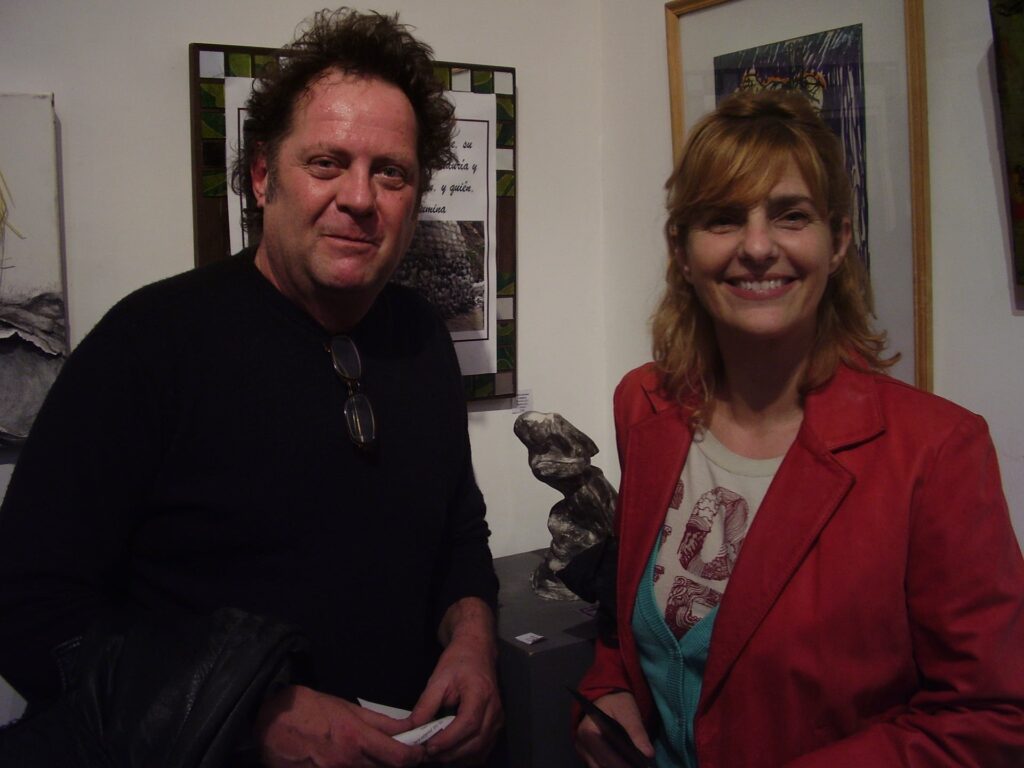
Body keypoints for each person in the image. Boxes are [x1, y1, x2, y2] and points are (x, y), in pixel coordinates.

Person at [0, 8, 502, 767]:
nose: (360, 198)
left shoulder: (422, 336)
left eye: (390, 172)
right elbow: (28, 611)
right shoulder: (149, 344)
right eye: (326, 162)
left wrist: (473, 638)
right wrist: (256, 718)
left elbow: (458, 531)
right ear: (263, 175)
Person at [574, 89, 1024, 767]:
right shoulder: (645, 406)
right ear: (682, 250)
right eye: (724, 218)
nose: (758, 247)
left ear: (837, 241)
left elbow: (991, 718)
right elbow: (629, 613)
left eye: (790, 215)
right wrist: (606, 690)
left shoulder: (935, 454)